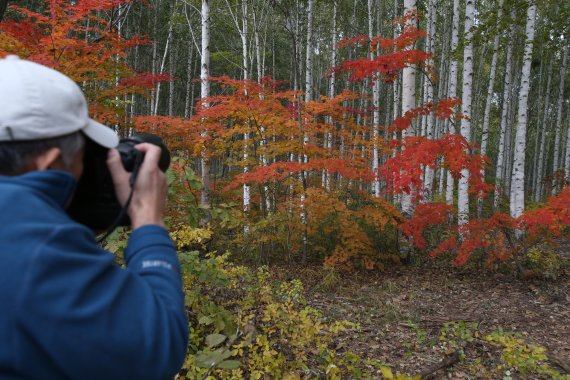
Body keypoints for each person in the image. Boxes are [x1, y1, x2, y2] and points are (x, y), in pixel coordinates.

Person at [0, 55, 188, 379]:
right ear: (49, 161)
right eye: (81, 159)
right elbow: (153, 348)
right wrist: (147, 220)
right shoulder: (36, 244)